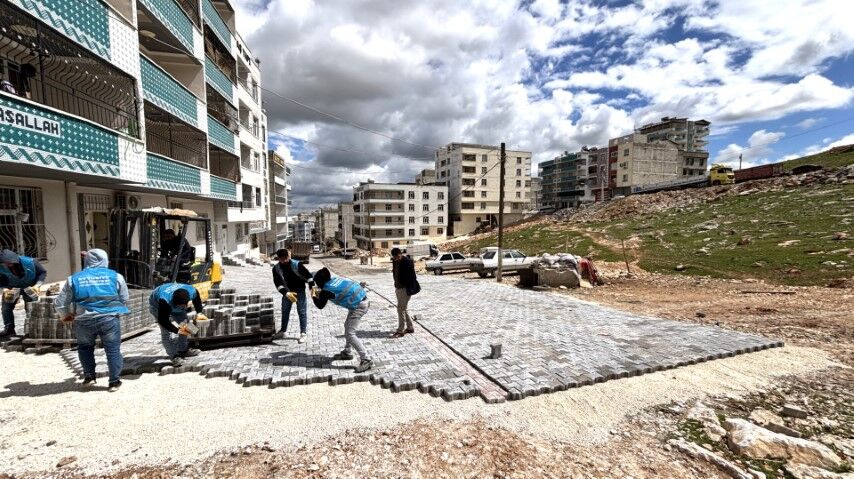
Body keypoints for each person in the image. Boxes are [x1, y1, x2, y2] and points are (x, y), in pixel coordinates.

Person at [55, 249, 128, 391]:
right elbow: (124, 299)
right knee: (112, 350)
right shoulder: (116, 276)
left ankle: (89, 377)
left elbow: (60, 302)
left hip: (83, 321)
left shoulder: (73, 279)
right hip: (108, 319)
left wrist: (65, 316)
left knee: (85, 348)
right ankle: (114, 382)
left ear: (87, 260)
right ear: (105, 260)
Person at [310, 268, 372, 373]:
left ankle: (366, 359)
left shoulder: (326, 291)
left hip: (359, 306)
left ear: (320, 281)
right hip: (361, 300)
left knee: (350, 333)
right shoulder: (335, 279)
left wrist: (313, 292)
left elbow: (319, 305)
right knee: (347, 327)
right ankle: (347, 352)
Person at [149, 283, 206, 366]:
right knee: (166, 333)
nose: (182, 308)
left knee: (187, 326)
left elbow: (197, 297)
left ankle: (183, 350)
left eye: (183, 307)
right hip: (156, 305)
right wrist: (176, 330)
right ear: (174, 303)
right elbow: (163, 321)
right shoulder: (164, 301)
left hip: (173, 302)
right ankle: (174, 357)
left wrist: (199, 312)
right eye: (179, 306)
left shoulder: (191, 291)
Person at [0, 249, 47, 338]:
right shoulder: (1, 265)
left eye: (9, 262)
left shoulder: (30, 262)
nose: (7, 264)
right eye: (4, 263)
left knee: (30, 308)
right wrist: (5, 288)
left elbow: (42, 272)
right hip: (12, 287)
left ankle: (31, 330)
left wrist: (37, 285)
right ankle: (9, 329)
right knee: (6, 308)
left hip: (30, 286)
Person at [271, 248, 314, 342]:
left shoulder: (296, 264)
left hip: (300, 291)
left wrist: (312, 286)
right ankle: (283, 331)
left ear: (288, 256)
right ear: (278, 258)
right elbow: (278, 283)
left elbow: (308, 275)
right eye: (281, 259)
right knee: (285, 312)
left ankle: (303, 333)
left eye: (285, 258)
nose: (284, 261)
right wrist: (286, 293)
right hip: (288, 292)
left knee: (302, 312)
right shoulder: (276, 269)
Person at [389, 247, 419, 338]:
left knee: (400, 309)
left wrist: (407, 287)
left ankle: (400, 330)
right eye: (394, 257)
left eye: (397, 257)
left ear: (400, 254)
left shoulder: (407, 262)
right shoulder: (395, 261)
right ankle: (410, 327)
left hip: (405, 289)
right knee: (403, 308)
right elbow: (395, 273)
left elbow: (412, 277)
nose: (396, 258)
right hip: (398, 288)